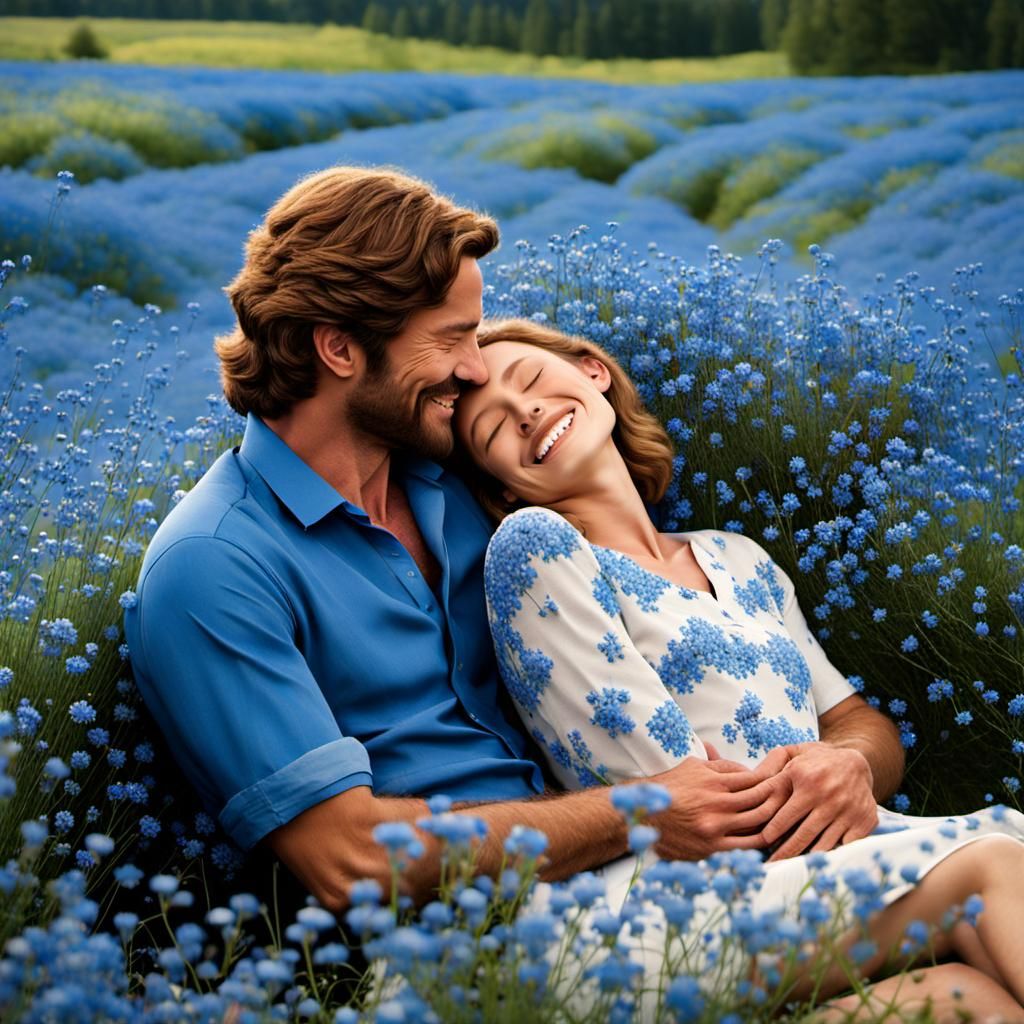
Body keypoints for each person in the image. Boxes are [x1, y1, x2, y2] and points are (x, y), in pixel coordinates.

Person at [450, 316, 1024, 1017]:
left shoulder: (738, 556)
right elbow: (692, 804)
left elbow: (852, 720)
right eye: (493, 430)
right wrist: (849, 828)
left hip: (809, 880)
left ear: (593, 371)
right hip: (684, 901)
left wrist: (848, 764)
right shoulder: (535, 548)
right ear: (504, 489)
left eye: (532, 380)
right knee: (995, 860)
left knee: (974, 1000)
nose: (525, 412)